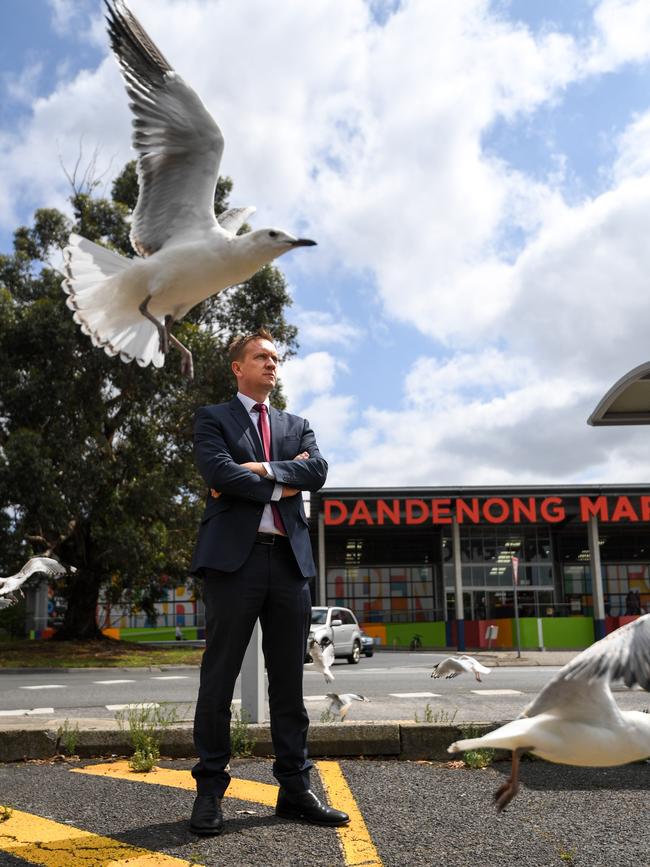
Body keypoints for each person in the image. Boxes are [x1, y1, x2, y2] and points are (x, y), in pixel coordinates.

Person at [188, 328, 349, 836]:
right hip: (233, 564)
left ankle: (295, 791)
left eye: (275, 358)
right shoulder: (213, 418)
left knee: (289, 682)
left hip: (288, 564)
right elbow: (217, 471)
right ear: (238, 367)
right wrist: (285, 478)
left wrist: (257, 468)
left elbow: (317, 472)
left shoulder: (296, 424)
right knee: (219, 679)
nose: (272, 365)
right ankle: (210, 791)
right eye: (261, 357)